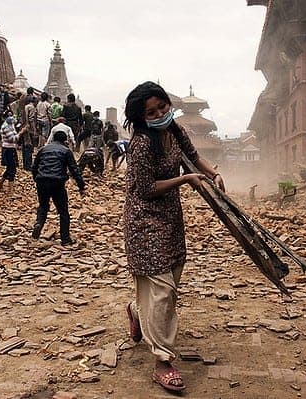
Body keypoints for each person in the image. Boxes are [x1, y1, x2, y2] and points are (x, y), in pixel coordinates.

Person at [123, 82, 225, 393]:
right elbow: (145, 189)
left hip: (170, 219)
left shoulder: (177, 131)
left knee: (170, 284)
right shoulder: (140, 145)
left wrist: (212, 173)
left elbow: (193, 157)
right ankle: (162, 361)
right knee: (163, 291)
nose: (159, 114)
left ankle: (135, 311)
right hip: (144, 222)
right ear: (141, 118)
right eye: (151, 112)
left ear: (170, 104)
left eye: (162, 107)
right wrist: (185, 179)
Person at [31, 129, 85, 245]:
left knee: (43, 206)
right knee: (63, 211)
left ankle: (38, 223)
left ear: (54, 138)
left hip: (42, 181)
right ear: (65, 140)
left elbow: (34, 166)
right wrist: (81, 186)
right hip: (57, 182)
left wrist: (36, 179)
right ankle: (65, 238)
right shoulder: (66, 151)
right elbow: (74, 170)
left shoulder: (43, 149)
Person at [0, 113, 24, 192]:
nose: (11, 117)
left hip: (11, 148)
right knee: (12, 169)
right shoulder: (5, 126)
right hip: (8, 149)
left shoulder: (11, 123)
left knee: (9, 168)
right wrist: (21, 132)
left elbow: (17, 121)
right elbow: (12, 139)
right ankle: (11, 191)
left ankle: (0, 184)